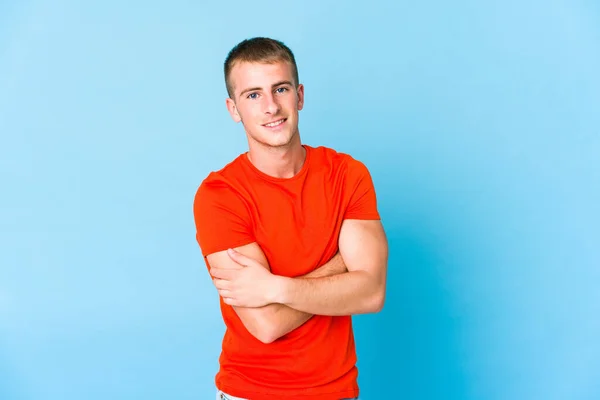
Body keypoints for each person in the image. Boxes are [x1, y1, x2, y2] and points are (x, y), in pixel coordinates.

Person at [193, 37, 388, 400]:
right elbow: (266, 324)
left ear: (299, 96)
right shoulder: (220, 195)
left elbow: (371, 293)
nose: (270, 107)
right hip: (250, 393)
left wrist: (275, 287)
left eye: (279, 89)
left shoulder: (347, 175)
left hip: (337, 391)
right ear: (233, 109)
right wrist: (342, 266)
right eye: (253, 95)